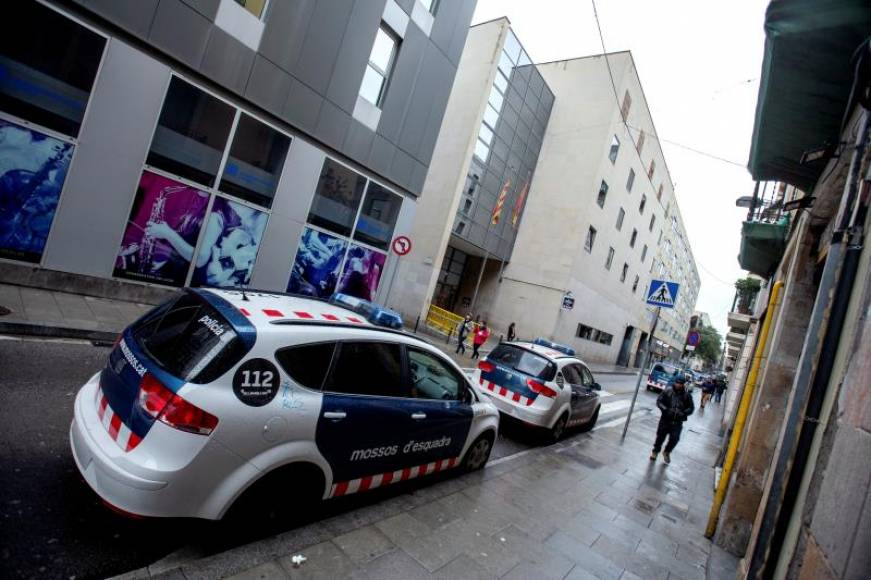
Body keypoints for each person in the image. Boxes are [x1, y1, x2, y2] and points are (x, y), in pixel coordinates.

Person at [650, 376, 695, 464]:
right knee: (660, 437)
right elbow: (659, 401)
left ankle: (667, 452)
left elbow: (691, 408)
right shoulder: (667, 391)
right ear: (675, 382)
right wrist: (665, 409)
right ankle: (655, 452)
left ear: (683, 384)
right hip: (665, 419)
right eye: (677, 383)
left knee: (675, 438)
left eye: (680, 383)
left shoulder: (687, 395)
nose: (678, 385)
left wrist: (684, 413)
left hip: (677, 422)